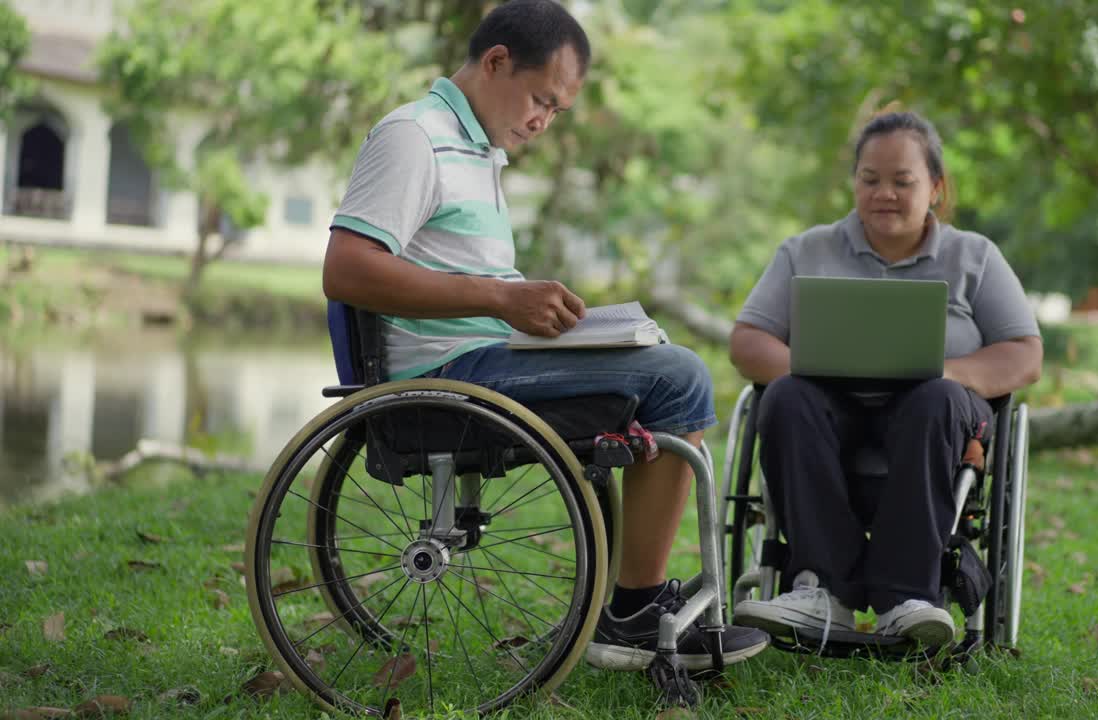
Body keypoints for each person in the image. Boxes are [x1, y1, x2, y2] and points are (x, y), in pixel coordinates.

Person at [321, 0, 768, 672]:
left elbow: (465, 282)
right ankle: (637, 613)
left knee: (654, 354)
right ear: (496, 61)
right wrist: (502, 297)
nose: (542, 120)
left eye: (556, 110)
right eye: (540, 99)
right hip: (444, 378)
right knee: (679, 377)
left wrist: (537, 310)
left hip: (483, 359)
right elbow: (347, 268)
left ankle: (634, 605)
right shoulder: (415, 137)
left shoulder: (476, 150)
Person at [728, 111, 1042, 648]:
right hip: (827, 409)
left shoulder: (974, 256)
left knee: (939, 398)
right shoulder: (806, 251)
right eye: (870, 179)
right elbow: (748, 340)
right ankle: (823, 590)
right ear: (854, 182)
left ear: (936, 188)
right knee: (786, 397)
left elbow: (1025, 354)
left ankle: (907, 596)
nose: (884, 194)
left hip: (933, 413)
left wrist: (951, 371)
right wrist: (816, 366)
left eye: (903, 181)